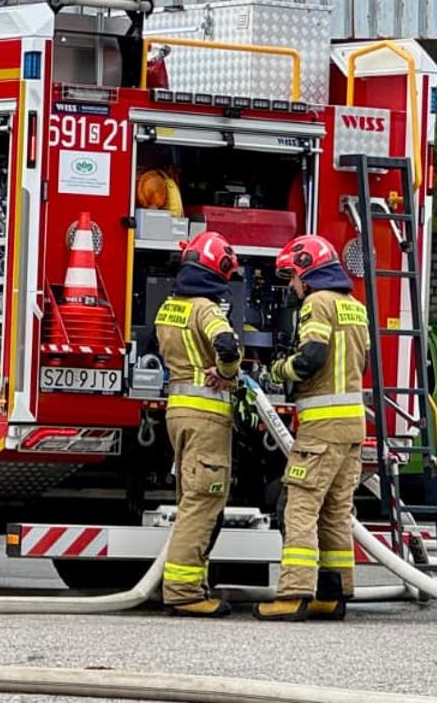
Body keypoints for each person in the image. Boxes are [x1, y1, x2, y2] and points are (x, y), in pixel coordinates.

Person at [256, 234, 369, 622]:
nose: (292, 285)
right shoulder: (354, 306)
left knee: (299, 508)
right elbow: (362, 362)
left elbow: (312, 357)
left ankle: (293, 594)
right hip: (352, 427)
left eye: (292, 276)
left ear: (308, 271)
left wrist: (277, 370)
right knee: (336, 511)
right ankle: (331, 595)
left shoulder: (317, 302)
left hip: (321, 428)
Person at [153, 230, 244, 617]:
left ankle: (187, 585)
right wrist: (226, 372)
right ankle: (185, 591)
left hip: (178, 413)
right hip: (207, 416)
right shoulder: (206, 309)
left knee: (189, 499)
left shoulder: (168, 307)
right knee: (203, 502)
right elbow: (227, 346)